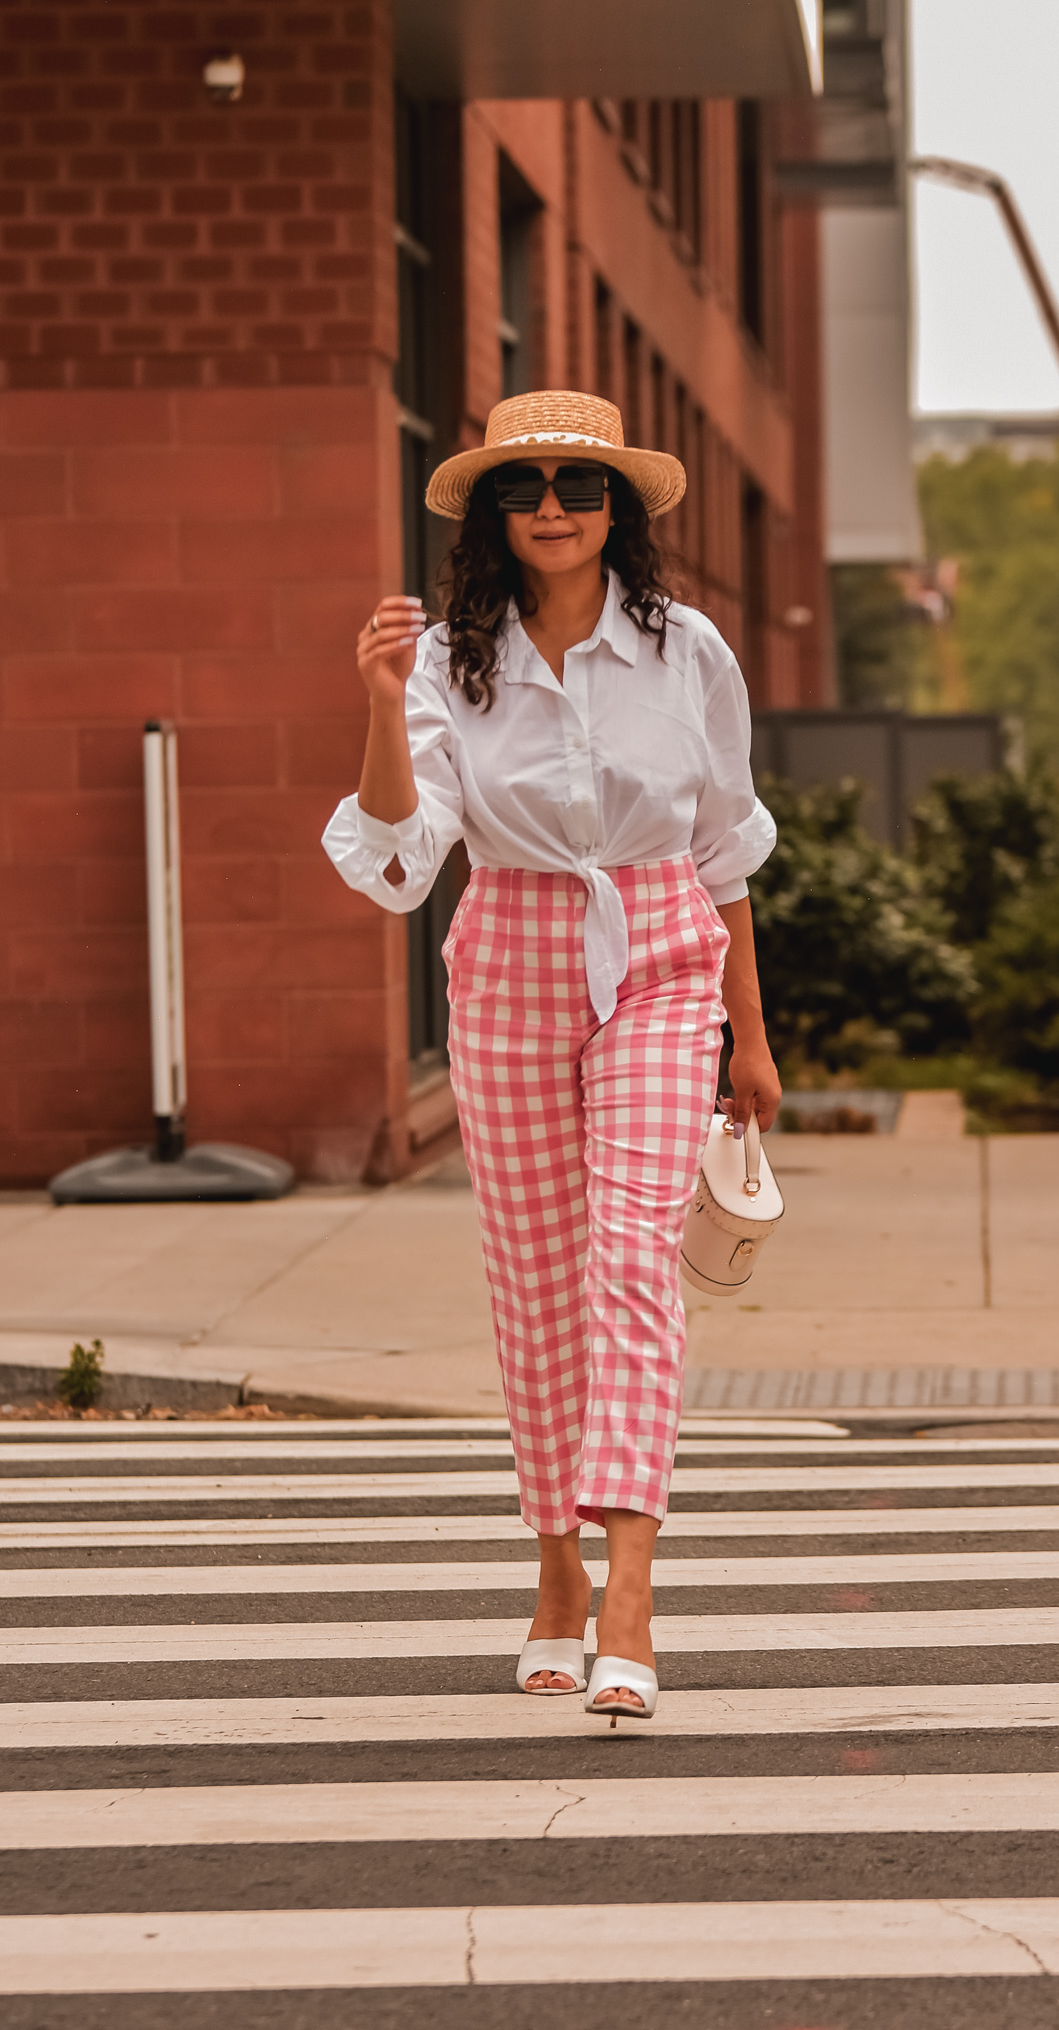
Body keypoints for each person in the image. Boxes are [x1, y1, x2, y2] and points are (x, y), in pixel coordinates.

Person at [323, 390, 781, 1721]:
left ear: (620, 510)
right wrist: (376, 698)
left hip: (660, 947)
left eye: (582, 487)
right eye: (525, 489)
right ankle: (555, 1574)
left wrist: (751, 1034)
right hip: (513, 950)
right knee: (535, 1283)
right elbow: (405, 860)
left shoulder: (687, 649)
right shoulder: (448, 660)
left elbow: (726, 845)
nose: (554, 509)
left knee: (632, 1260)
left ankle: (631, 1594)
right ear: (492, 517)